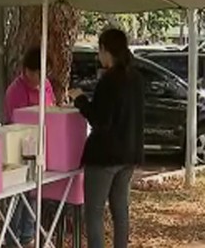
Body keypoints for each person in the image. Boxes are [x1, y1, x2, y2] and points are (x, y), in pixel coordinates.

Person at [68, 28, 145, 248]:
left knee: (94, 213)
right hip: (129, 154)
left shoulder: (110, 81)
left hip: (105, 156)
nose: (97, 56)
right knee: (120, 210)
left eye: (98, 50)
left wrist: (81, 100)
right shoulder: (136, 78)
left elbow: (100, 120)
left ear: (105, 50)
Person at [3, 47, 56, 248]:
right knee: (17, 197)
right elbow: (16, 120)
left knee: (34, 194)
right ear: (27, 70)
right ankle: (12, 240)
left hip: (40, 148)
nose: (42, 78)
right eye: (38, 73)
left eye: (45, 73)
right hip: (17, 149)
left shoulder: (47, 86)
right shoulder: (15, 91)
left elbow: (52, 108)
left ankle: (28, 236)